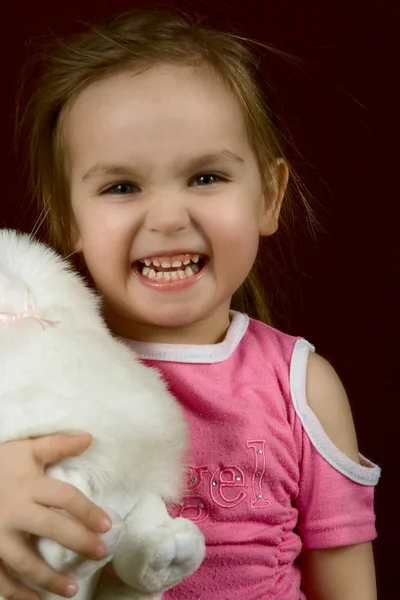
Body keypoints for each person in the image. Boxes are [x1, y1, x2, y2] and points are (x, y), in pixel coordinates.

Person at [0, 10, 380, 600]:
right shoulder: (34, 359)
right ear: (68, 216)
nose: (169, 217)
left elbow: (349, 585)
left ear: (270, 196)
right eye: (121, 187)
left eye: (205, 177)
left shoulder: (300, 387)